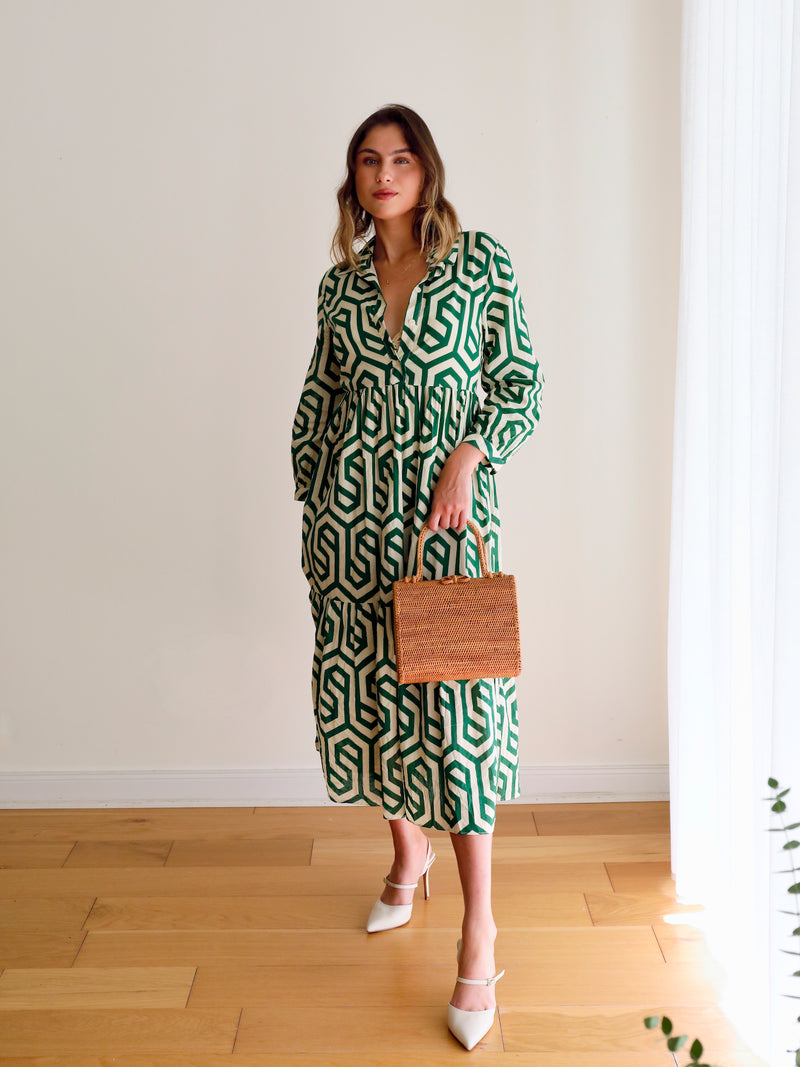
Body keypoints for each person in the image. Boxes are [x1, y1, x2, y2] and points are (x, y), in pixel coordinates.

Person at [291, 104, 543, 1051]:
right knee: (371, 695)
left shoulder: (480, 265)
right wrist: (316, 495)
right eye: (369, 159)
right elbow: (318, 399)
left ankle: (480, 932)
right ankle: (407, 853)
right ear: (354, 179)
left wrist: (470, 454)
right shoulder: (340, 287)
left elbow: (519, 382)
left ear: (426, 171)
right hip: (352, 528)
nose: (385, 172)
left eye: (401, 158)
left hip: (446, 526)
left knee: (459, 718)